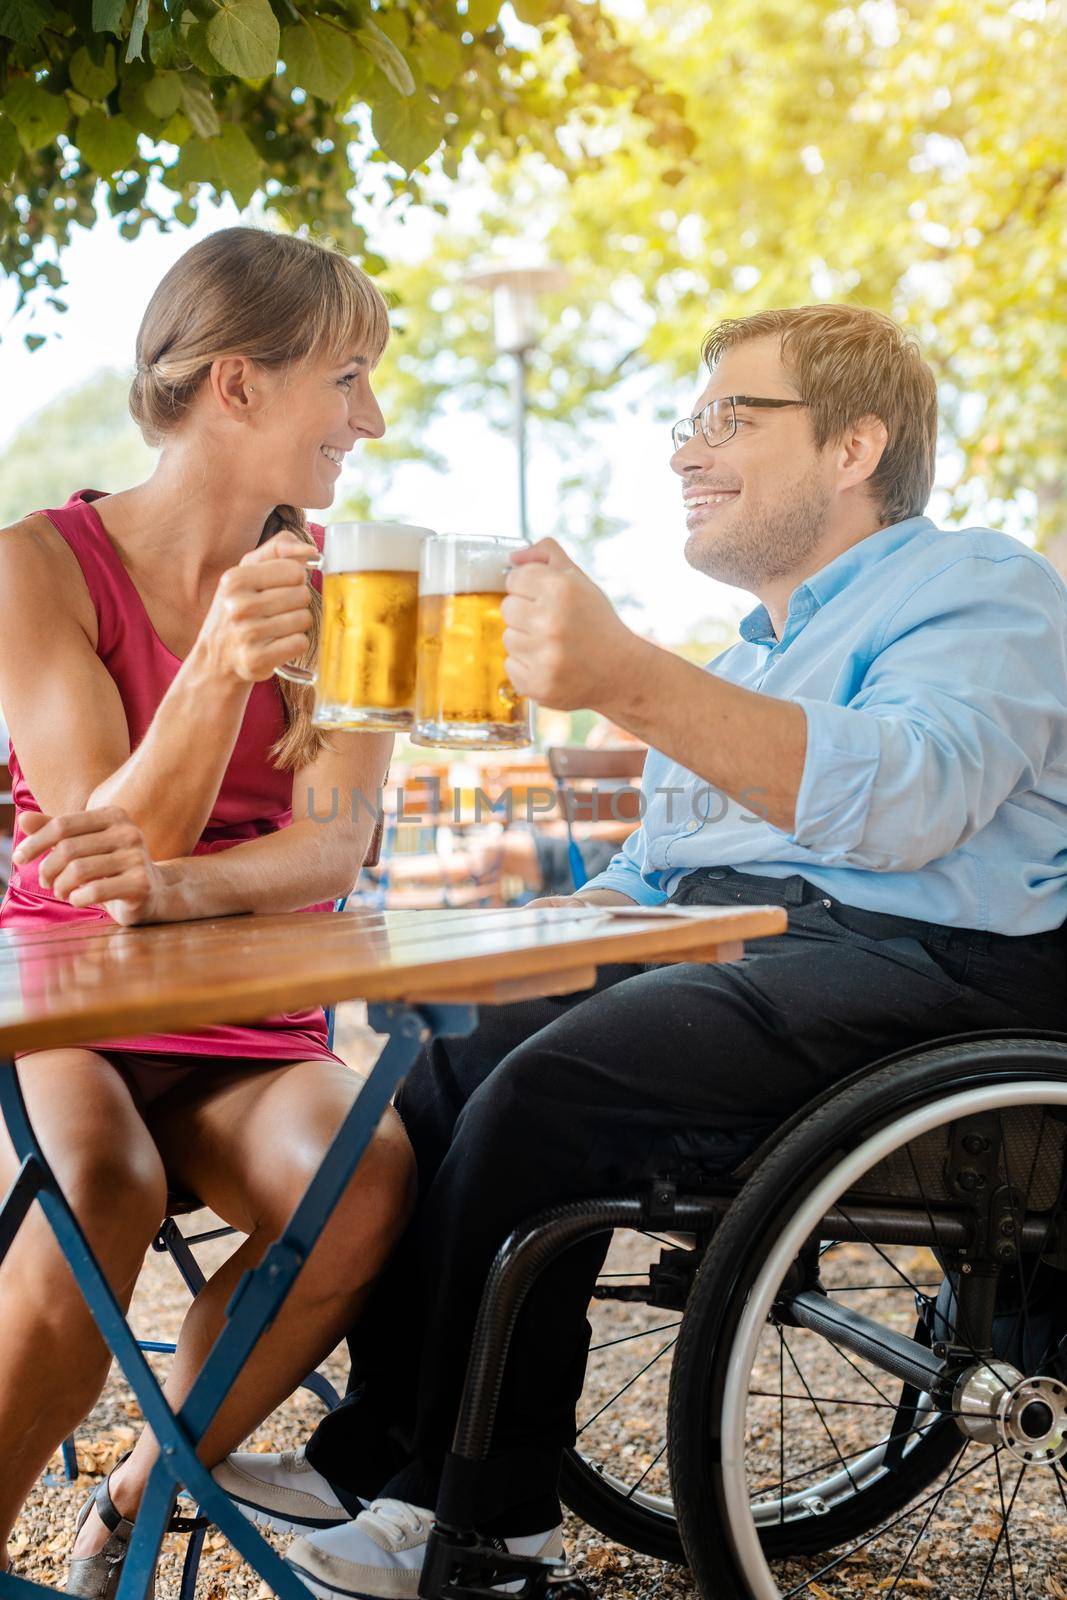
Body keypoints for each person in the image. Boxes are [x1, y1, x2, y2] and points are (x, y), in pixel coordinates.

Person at [222, 303, 1067, 1600]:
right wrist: (505, 944)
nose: (687, 448)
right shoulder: (746, 657)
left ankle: (487, 1526)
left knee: (554, 1084)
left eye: (731, 415)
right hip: (755, 947)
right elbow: (649, 870)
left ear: (854, 446)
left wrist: (623, 676)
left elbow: (914, 800)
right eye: (689, 419)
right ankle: (387, 1458)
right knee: (453, 1046)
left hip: (939, 964)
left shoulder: (980, 585)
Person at [0, 227, 416, 1594]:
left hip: (242, 1015)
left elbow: (331, 843)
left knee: (364, 1180)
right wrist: (217, 672)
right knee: (97, 1193)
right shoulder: (33, 567)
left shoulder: (355, 586)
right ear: (236, 386)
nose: (372, 417)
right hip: (63, 1001)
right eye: (347, 379)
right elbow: (97, 852)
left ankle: (131, 1501)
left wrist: (177, 890)